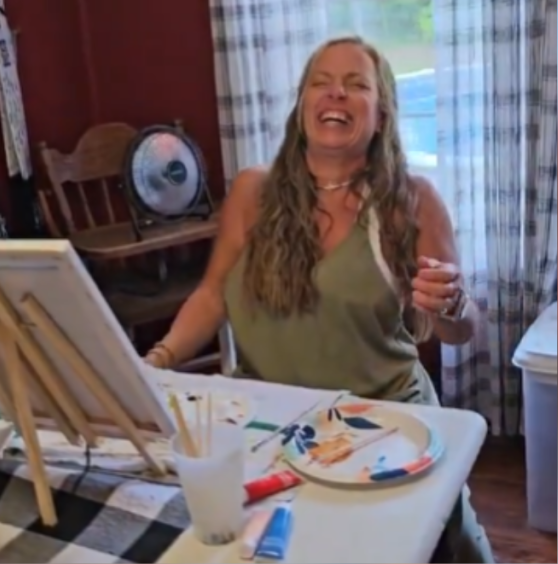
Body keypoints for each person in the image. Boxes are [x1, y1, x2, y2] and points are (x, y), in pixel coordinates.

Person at [145, 36, 495, 563]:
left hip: (383, 426)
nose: (336, 94)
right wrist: (157, 363)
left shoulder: (412, 200)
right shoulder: (251, 192)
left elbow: (462, 330)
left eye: (357, 86)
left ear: (380, 116)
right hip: (270, 422)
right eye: (321, 83)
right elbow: (213, 294)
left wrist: (452, 305)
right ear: (303, 105)